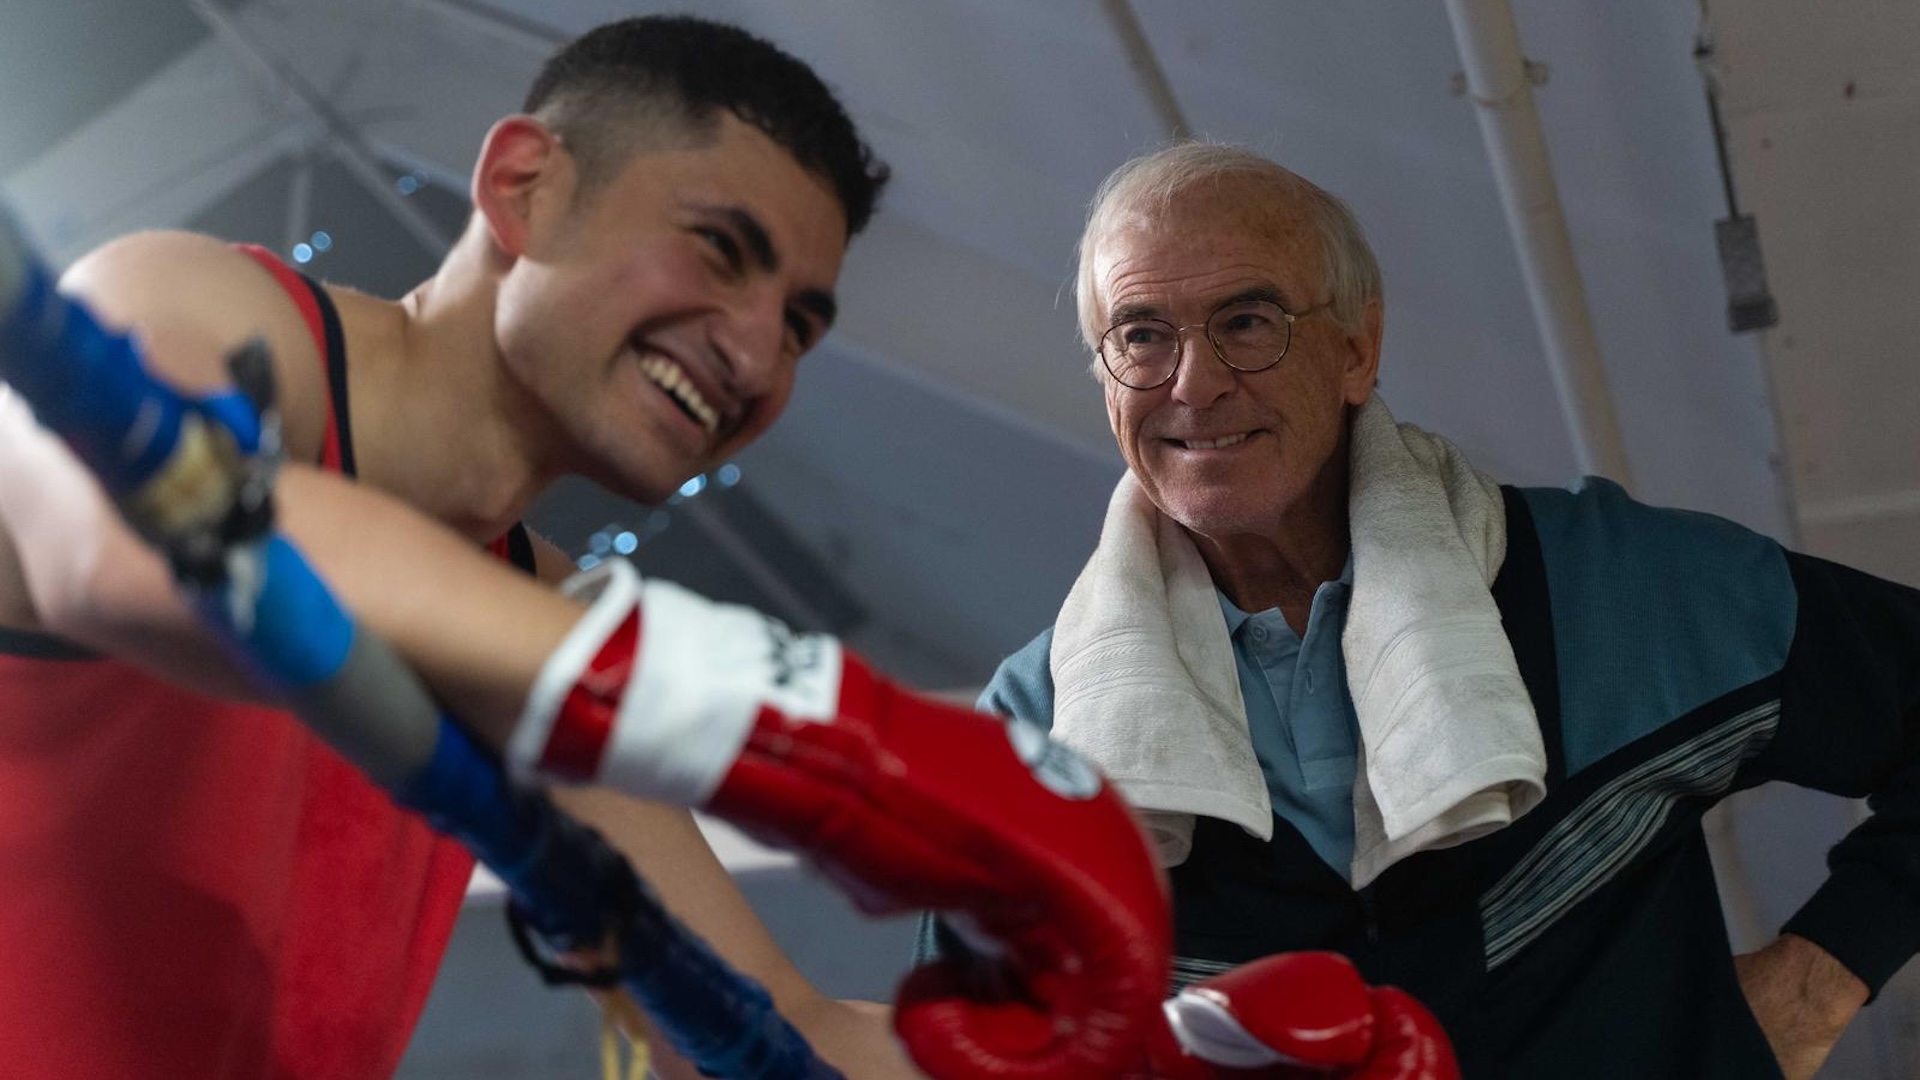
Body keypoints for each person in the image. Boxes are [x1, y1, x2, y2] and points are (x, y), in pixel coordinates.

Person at [0, 16, 925, 1080]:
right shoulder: (206, 309)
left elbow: (759, 1034)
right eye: (719, 250)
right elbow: (146, 545)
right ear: (524, 187)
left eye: (800, 327)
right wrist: (830, 717)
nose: (755, 353)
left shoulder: (534, 621)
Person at [923, 140, 1920, 1080]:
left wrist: (1816, 982)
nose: (1194, 384)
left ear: (1358, 349)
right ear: (1107, 378)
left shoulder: (1615, 590)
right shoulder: (1030, 738)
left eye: (1247, 323)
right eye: (1142, 335)